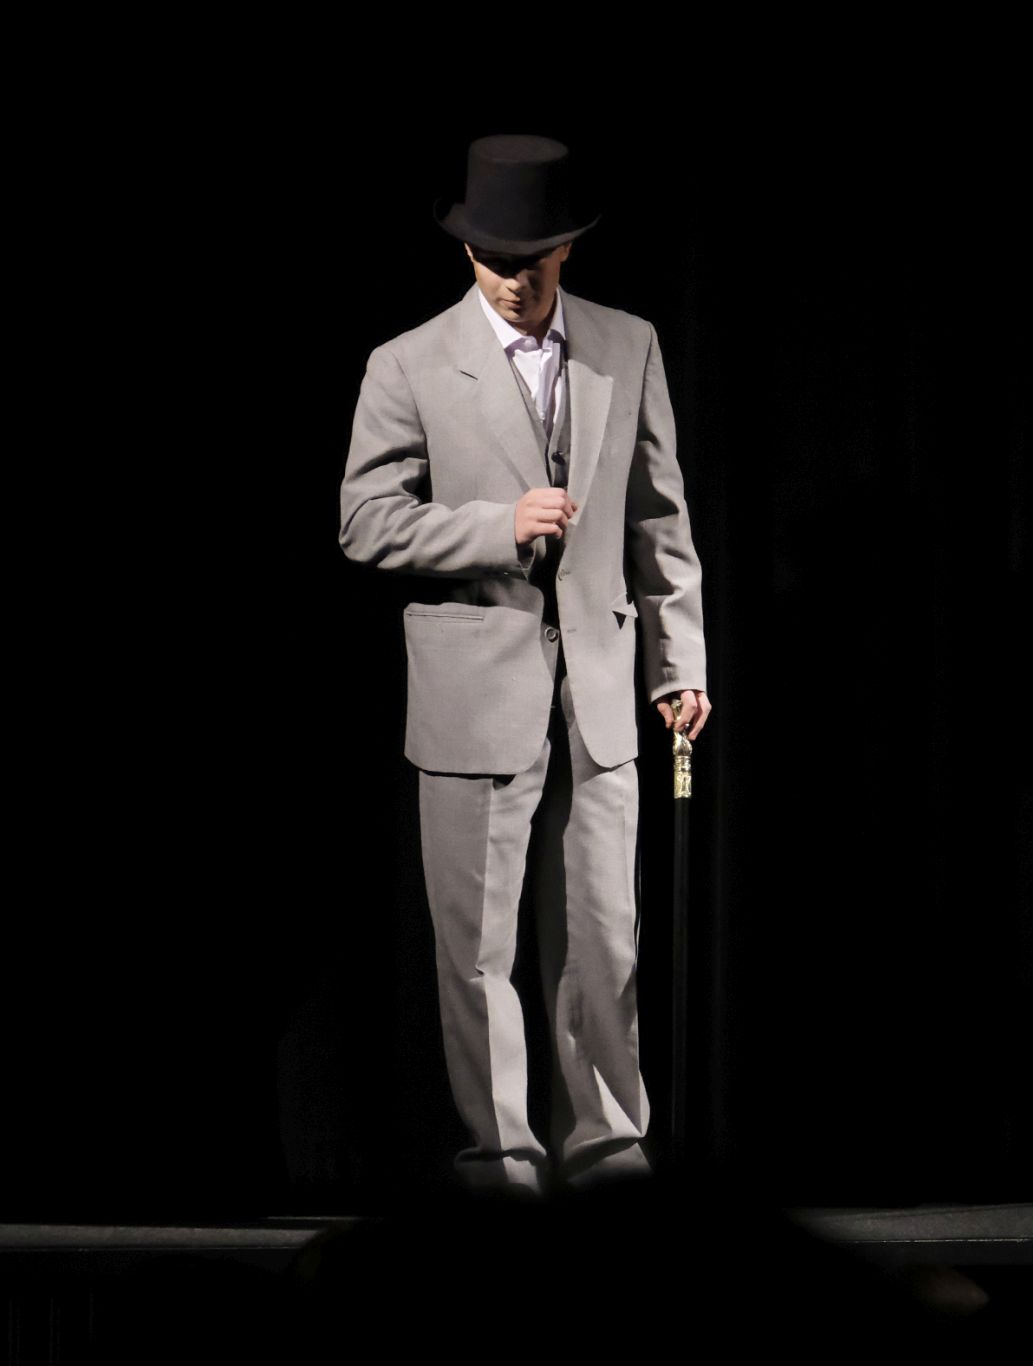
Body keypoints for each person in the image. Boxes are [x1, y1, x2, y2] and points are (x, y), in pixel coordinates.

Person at [338, 134, 710, 1196]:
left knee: (603, 941)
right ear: (466, 252)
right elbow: (363, 520)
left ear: (567, 250)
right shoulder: (407, 363)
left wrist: (676, 663)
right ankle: (501, 1161)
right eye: (494, 260)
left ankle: (607, 1152)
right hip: (473, 696)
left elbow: (659, 519)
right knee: (477, 954)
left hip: (596, 693)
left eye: (532, 260)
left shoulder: (626, 345)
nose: (513, 279)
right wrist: (495, 527)